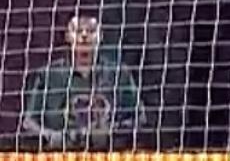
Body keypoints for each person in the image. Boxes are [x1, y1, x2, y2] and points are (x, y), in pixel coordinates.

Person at [22, 14, 143, 150]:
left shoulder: (119, 73)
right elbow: (28, 122)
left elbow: (139, 118)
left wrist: (112, 133)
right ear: (68, 36)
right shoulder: (48, 75)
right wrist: (50, 136)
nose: (84, 35)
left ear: (100, 36)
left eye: (91, 31)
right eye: (78, 31)